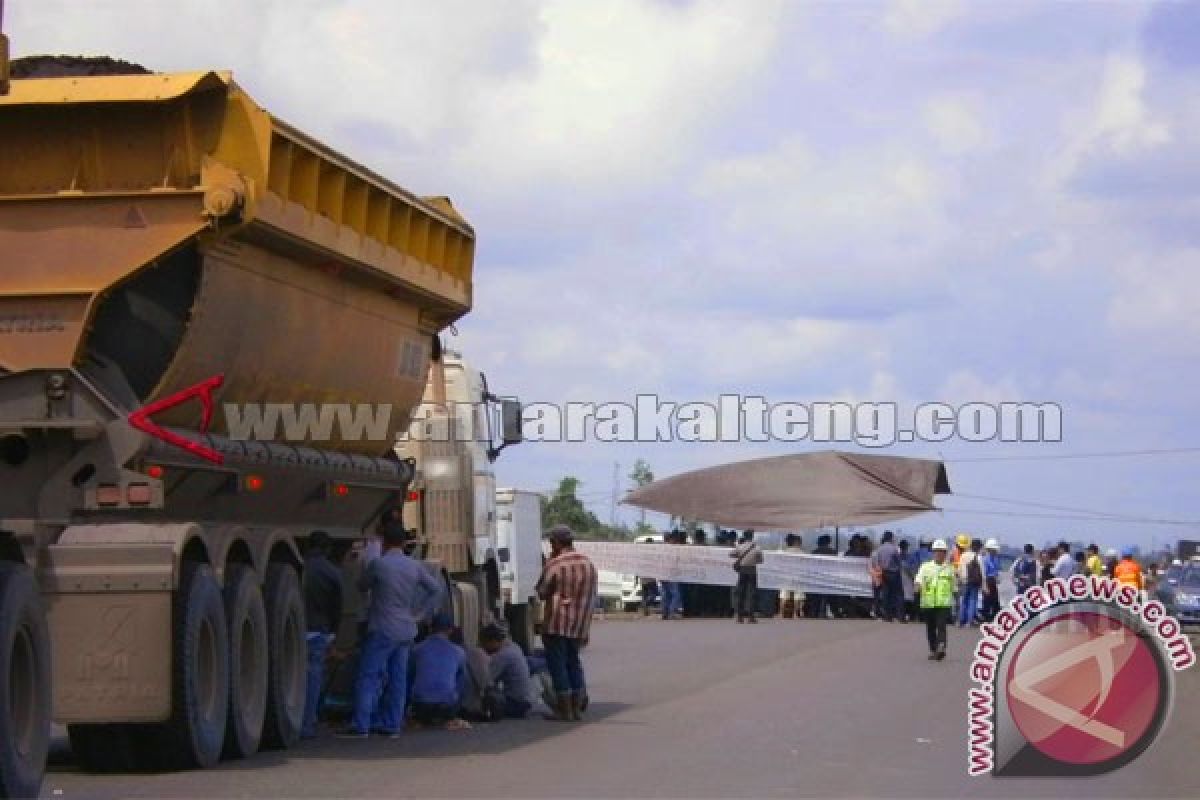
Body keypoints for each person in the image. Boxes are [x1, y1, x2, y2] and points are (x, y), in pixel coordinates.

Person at [340, 522, 444, 738]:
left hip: (382, 627)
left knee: (369, 676)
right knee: (398, 678)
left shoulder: (379, 565)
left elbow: (362, 585)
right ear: (405, 543)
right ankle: (393, 725)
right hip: (406, 628)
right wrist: (420, 613)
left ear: (384, 542)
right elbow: (435, 589)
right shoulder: (414, 566)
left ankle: (361, 725)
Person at [536, 525, 598, 722]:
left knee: (558, 665)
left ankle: (564, 710)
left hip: (557, 622)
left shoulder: (555, 564)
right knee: (574, 663)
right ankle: (577, 708)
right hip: (580, 624)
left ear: (556, 543)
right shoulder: (588, 563)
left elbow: (542, 591)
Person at [302, 531, 344, 739]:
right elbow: (337, 607)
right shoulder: (332, 572)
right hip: (318, 631)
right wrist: (333, 634)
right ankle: (308, 724)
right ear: (327, 549)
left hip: (296, 628)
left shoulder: (299, 567)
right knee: (314, 678)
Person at [408, 613, 468, 726]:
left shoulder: (417, 649)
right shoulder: (459, 651)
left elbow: (409, 676)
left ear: (431, 629)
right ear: (451, 630)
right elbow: (463, 680)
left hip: (421, 706)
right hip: (448, 707)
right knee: (461, 677)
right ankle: (451, 715)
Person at [914, 539, 956, 661]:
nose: (939, 554)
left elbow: (954, 586)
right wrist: (917, 587)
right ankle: (933, 650)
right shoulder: (925, 567)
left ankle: (941, 647)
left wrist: (957, 598)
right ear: (933, 552)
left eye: (942, 552)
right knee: (930, 628)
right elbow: (918, 580)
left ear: (945, 553)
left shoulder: (949, 569)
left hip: (943, 603)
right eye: (937, 551)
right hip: (928, 603)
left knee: (941, 626)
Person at [481, 623, 534, 718]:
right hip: (526, 701)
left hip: (516, 704)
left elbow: (486, 681)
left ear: (493, 641)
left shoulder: (502, 655)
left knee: (477, 707)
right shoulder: (514, 646)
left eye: (484, 644)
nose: (483, 647)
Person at [730, 530, 763, 623]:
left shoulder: (740, 546)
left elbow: (731, 554)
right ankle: (751, 617)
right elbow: (761, 560)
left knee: (741, 592)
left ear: (744, 536)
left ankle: (740, 617)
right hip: (752, 570)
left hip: (742, 570)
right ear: (752, 536)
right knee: (752, 593)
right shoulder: (757, 548)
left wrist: (739, 556)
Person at [873, 531, 904, 623]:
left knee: (886, 595)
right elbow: (899, 562)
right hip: (894, 573)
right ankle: (900, 616)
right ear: (891, 538)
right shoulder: (894, 549)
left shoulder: (879, 549)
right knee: (898, 595)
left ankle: (887, 616)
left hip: (884, 573)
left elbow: (877, 562)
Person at [957, 538, 982, 627]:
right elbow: (982, 572)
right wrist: (984, 584)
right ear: (978, 547)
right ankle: (969, 621)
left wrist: (959, 579)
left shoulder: (963, 555)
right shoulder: (978, 557)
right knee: (972, 601)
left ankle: (960, 620)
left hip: (964, 580)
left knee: (963, 600)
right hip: (974, 581)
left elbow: (959, 569)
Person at [660, 530, 684, 620]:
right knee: (676, 594)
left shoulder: (660, 549)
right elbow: (676, 561)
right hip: (670, 574)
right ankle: (671, 612)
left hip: (662, 574)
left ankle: (664, 613)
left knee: (666, 594)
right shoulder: (673, 548)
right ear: (671, 539)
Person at [780, 534, 804, 619]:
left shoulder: (784, 552)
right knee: (798, 595)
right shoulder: (801, 553)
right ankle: (795, 614)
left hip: (786, 575)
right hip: (798, 575)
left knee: (784, 595)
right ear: (795, 542)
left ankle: (781, 613)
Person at [980, 539, 1001, 623]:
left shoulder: (995, 559)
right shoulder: (985, 559)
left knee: (995, 600)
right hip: (987, 580)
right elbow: (984, 573)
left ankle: (996, 617)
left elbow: (997, 570)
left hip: (993, 581)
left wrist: (997, 578)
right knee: (987, 600)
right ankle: (986, 618)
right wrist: (984, 585)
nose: (995, 551)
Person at [899, 539, 918, 622]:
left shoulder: (898, 557)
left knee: (903, 598)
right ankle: (910, 616)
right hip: (908, 579)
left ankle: (902, 616)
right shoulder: (909, 557)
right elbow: (912, 569)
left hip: (901, 580)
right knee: (909, 599)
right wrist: (914, 577)